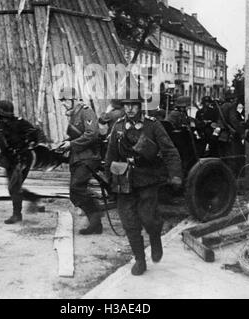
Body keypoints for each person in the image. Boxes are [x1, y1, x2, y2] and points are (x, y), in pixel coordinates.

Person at [105, 92, 182, 276]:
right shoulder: (118, 126)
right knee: (129, 221)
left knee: (148, 218)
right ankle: (140, 259)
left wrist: (176, 174)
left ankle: (155, 237)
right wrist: (109, 179)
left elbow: (170, 150)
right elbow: (110, 155)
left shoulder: (152, 125)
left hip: (148, 178)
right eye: (126, 104)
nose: (130, 108)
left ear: (140, 106)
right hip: (124, 180)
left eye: (134, 104)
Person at [0, 101, 41, 224]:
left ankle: (17, 215)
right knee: (14, 187)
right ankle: (33, 198)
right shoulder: (1, 125)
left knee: (13, 187)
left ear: (4, 111)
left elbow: (35, 136)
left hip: (22, 159)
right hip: (9, 159)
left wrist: (30, 142)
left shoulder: (20, 123)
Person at [58, 86, 103, 235]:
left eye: (65, 100)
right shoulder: (73, 114)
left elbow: (92, 134)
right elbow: (76, 136)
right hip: (77, 158)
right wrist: (66, 143)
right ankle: (95, 221)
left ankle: (96, 218)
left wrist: (71, 144)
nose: (63, 104)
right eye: (62, 101)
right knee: (75, 193)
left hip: (89, 157)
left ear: (74, 99)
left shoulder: (85, 111)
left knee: (77, 188)